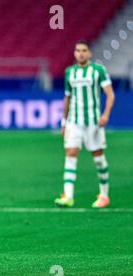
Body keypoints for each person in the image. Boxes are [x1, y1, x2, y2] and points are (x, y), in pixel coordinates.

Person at [55, 40, 115, 208]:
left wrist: (106, 115)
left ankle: (104, 195)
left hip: (93, 122)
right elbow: (67, 97)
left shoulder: (98, 71)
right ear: (75, 53)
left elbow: (110, 95)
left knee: (98, 159)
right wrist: (64, 121)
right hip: (74, 121)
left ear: (89, 53)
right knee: (71, 153)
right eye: (78, 50)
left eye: (84, 50)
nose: (80, 53)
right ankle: (68, 195)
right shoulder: (70, 73)